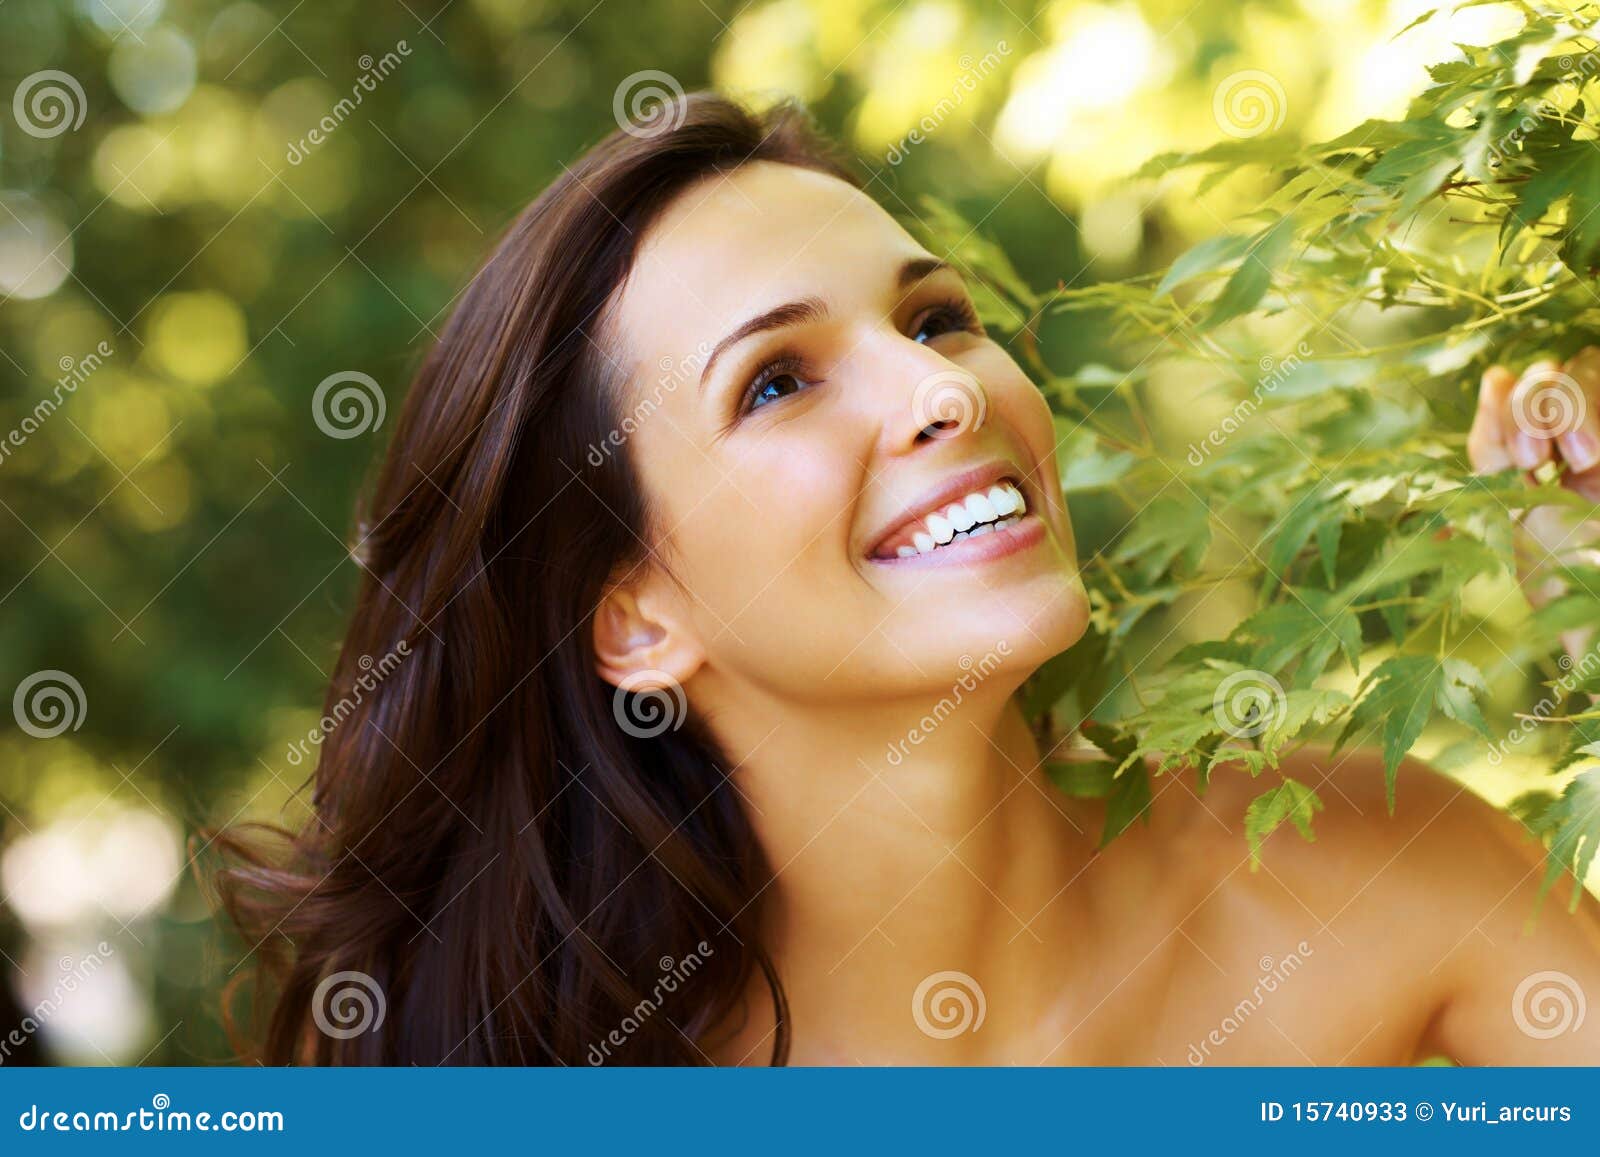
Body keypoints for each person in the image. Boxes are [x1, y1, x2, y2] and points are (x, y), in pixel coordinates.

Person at [216, 90, 1600, 1066]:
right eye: (776, 381)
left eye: (934, 317)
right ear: (636, 618)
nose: (943, 386)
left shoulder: (1379, 873)